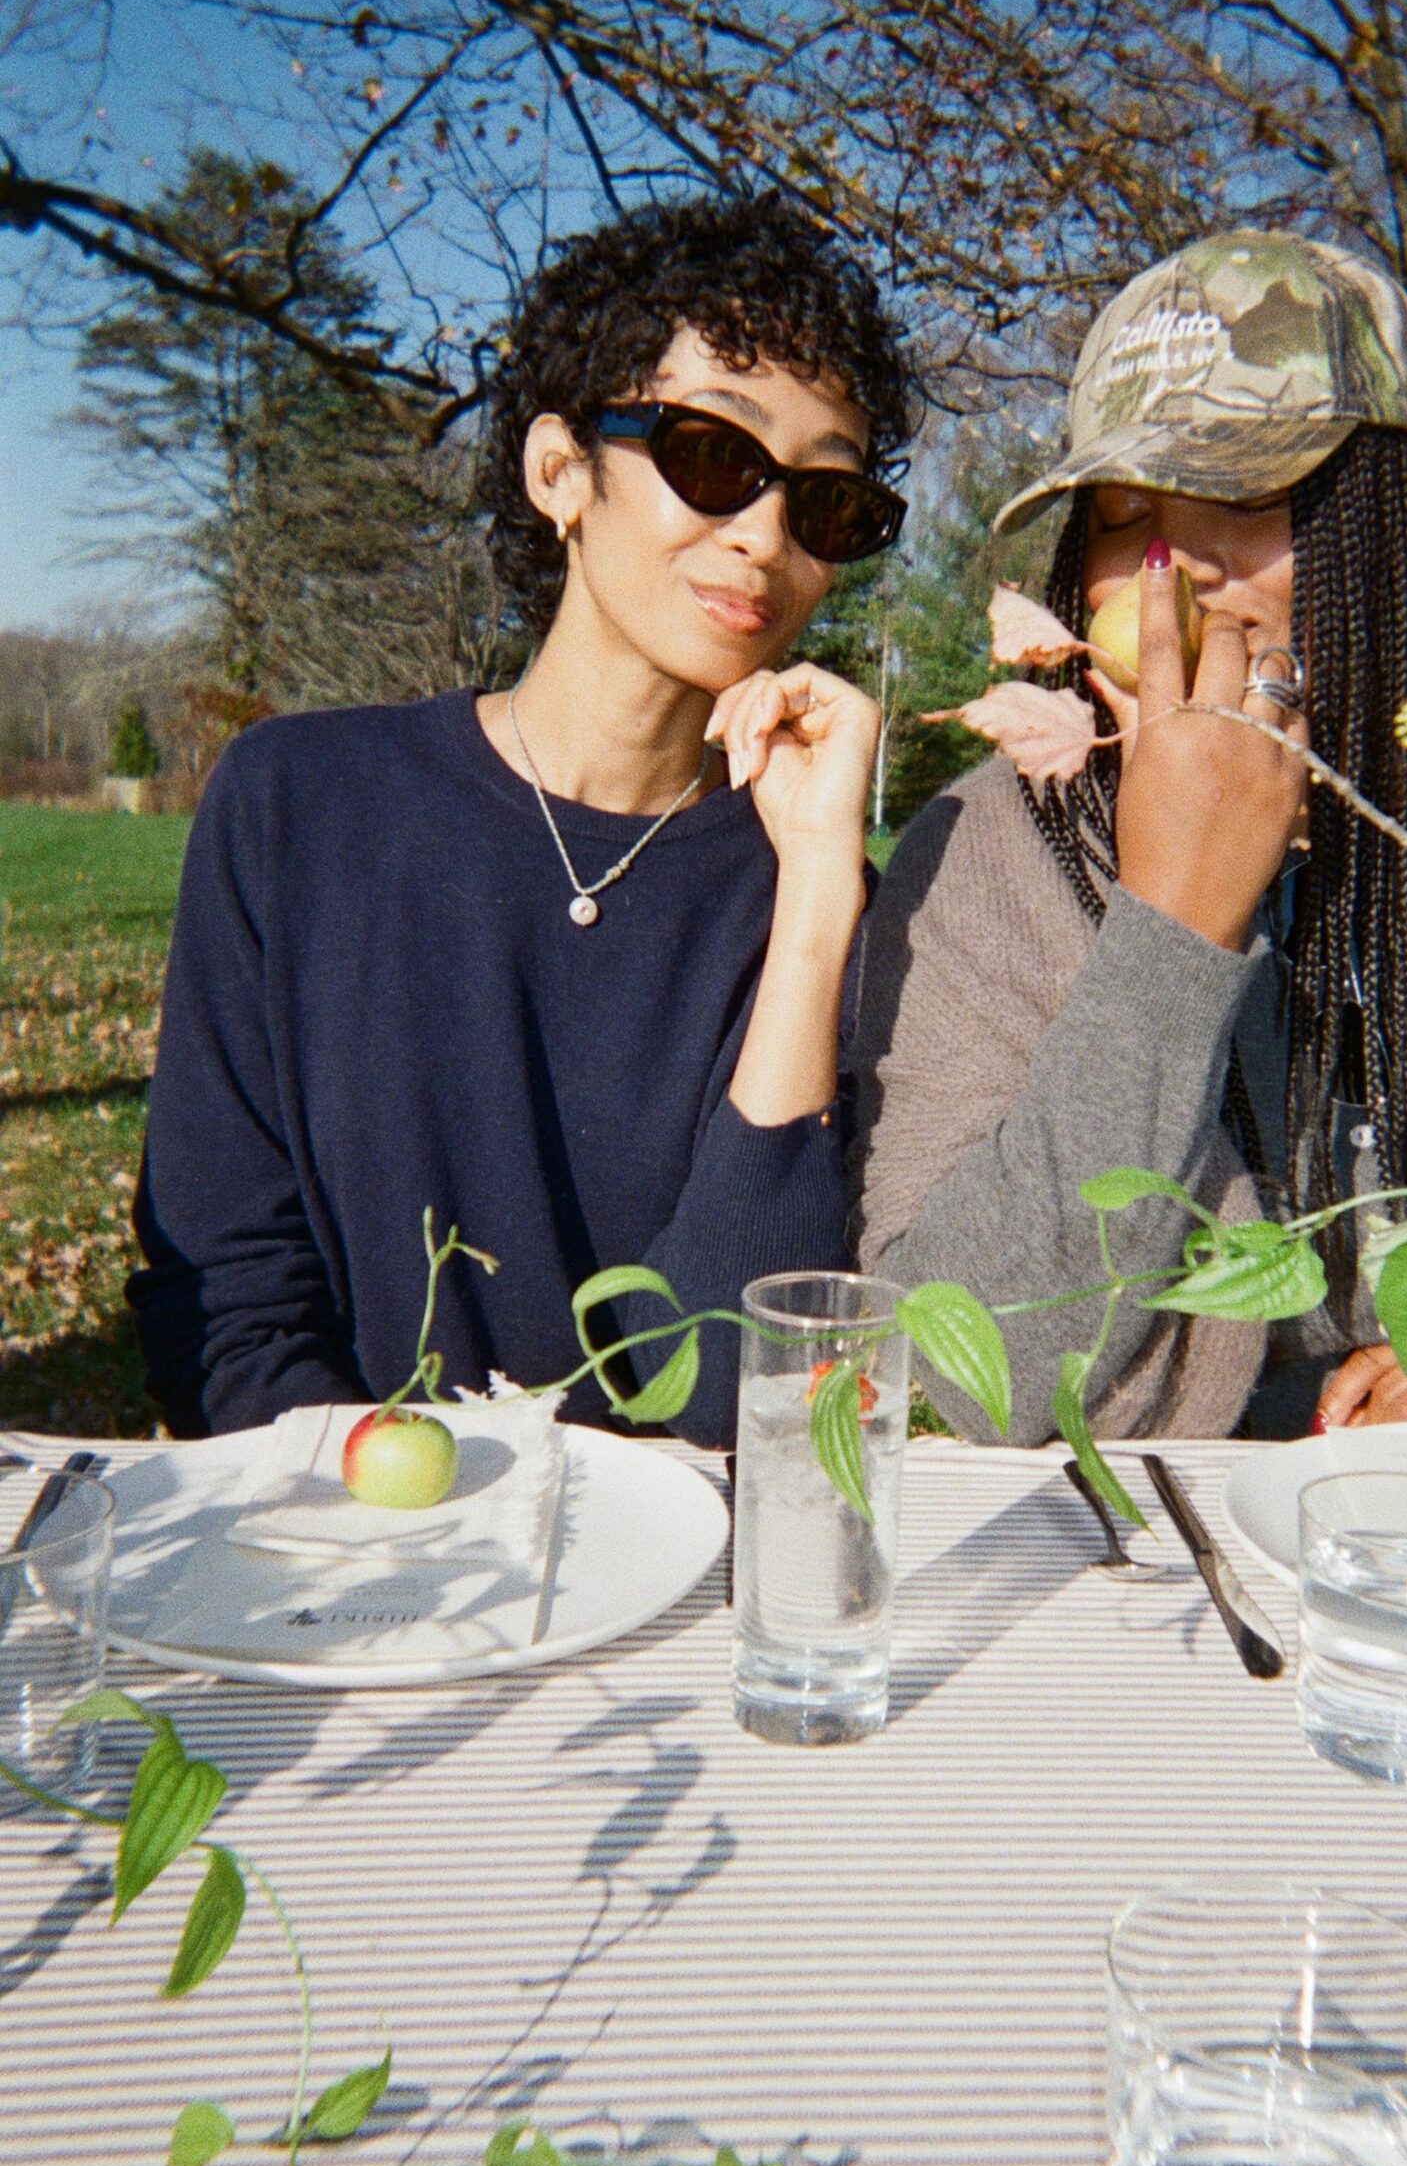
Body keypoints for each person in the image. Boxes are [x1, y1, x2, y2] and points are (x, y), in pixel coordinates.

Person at [849, 231, 1407, 1446]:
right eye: (1124, 517)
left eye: (1248, 498)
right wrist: (1172, 928)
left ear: (1389, 518)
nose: (1176, 575)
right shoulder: (986, 850)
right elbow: (938, 1373)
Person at [130, 190, 918, 1447]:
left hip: (678, 1560)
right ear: (560, 471)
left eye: (827, 504)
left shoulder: (807, 888)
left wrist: (819, 895)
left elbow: (735, 1384)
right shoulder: (295, 807)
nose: (766, 535)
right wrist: (393, 1524)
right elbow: (224, 1300)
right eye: (715, 455)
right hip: (341, 1529)